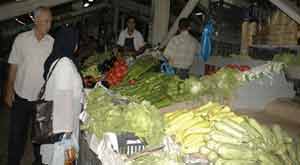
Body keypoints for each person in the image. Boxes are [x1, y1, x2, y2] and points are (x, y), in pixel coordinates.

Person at [4, 6, 54, 165]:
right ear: (36, 20)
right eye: (46, 21)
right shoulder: (21, 39)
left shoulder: (52, 42)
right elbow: (13, 65)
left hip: (42, 99)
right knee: (16, 134)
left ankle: (40, 162)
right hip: (21, 97)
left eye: (50, 21)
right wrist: (8, 89)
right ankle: (13, 161)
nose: (49, 24)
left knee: (41, 138)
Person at [40, 26, 84, 165]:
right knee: (61, 160)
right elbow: (63, 100)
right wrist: (66, 136)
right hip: (62, 129)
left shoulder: (58, 60)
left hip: (57, 124)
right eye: (76, 40)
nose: (77, 44)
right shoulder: (65, 64)